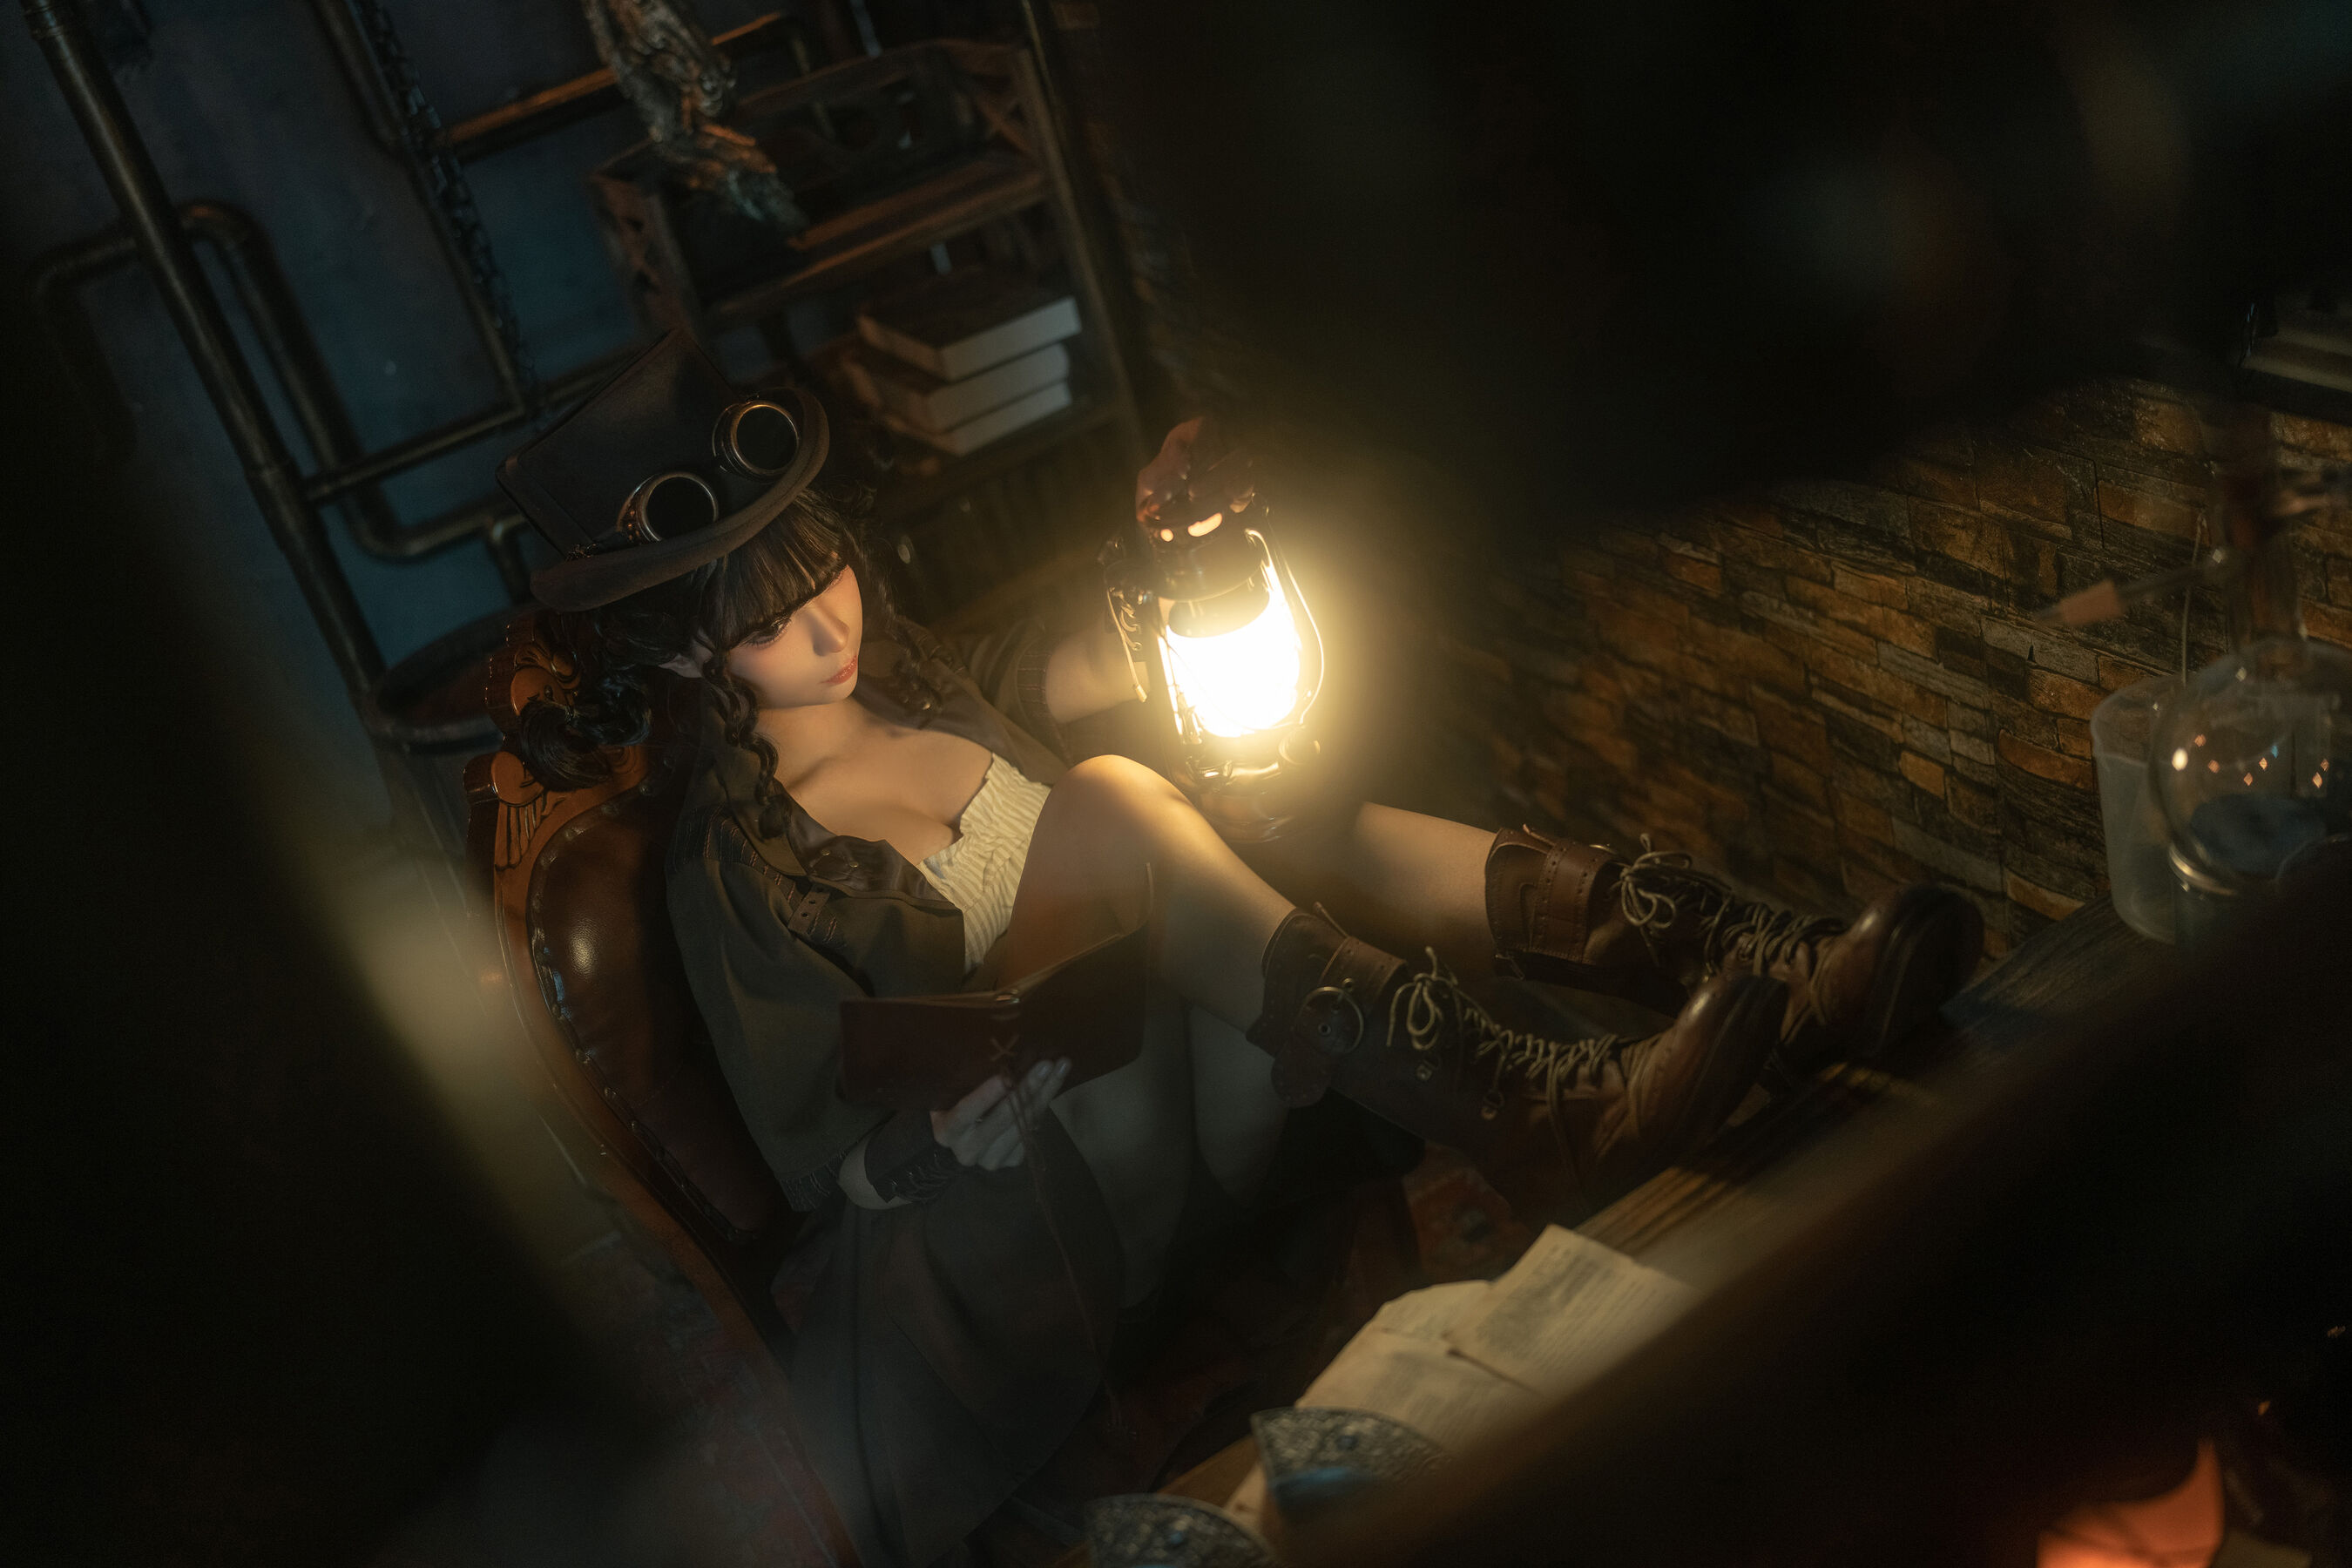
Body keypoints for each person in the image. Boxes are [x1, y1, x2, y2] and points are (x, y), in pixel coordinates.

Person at [499, 333, 1984, 1566]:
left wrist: (1186, 534)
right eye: (768, 619)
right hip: (1004, 1229)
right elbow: (828, 1171)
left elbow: (1118, 638)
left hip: (1173, 1120)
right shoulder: (735, 870)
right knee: (1120, 800)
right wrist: (938, 1138)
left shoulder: (945, 690)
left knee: (1270, 823)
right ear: (685, 650)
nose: (829, 626)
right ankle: (1544, 1102)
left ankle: (1760, 973)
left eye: (822, 567)